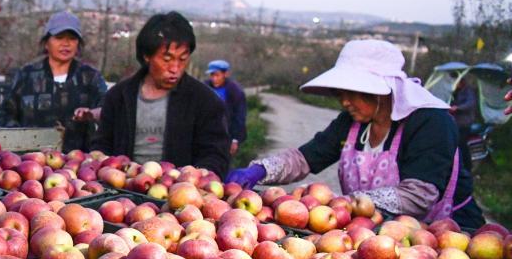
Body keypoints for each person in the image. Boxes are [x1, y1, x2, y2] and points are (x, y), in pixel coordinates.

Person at [227, 39, 485, 230]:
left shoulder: (431, 122)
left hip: (446, 233)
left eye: (351, 92)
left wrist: (344, 203)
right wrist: (261, 170)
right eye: (341, 93)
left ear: (382, 91)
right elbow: (306, 157)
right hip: (377, 235)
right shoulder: (354, 122)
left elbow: (418, 195)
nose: (344, 102)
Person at [90, 11, 230, 178]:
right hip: (122, 193)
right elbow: (101, 144)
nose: (175, 68)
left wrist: (194, 177)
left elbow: (216, 156)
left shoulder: (205, 101)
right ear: (147, 56)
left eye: (183, 59)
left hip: (180, 197)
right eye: (167, 59)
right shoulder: (119, 97)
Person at [0, 11, 107, 152]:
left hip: (80, 164)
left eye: (72, 38)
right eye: (59, 37)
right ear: (46, 43)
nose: (66, 44)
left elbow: (108, 109)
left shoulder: (90, 77)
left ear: (78, 44)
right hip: (31, 163)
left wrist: (91, 113)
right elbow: (5, 115)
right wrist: (23, 141)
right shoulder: (26, 76)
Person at [205, 59, 247, 157]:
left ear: (226, 74)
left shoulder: (235, 91)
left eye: (217, 75)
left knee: (223, 162)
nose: (214, 78)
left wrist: (235, 140)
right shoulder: (204, 87)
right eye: (212, 75)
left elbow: (239, 117)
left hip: (227, 135)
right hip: (207, 134)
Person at [448, 73, 477, 167]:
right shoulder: (455, 92)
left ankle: (467, 165)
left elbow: (470, 104)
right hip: (455, 122)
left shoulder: (468, 91)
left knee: (461, 143)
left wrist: (458, 108)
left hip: (465, 122)